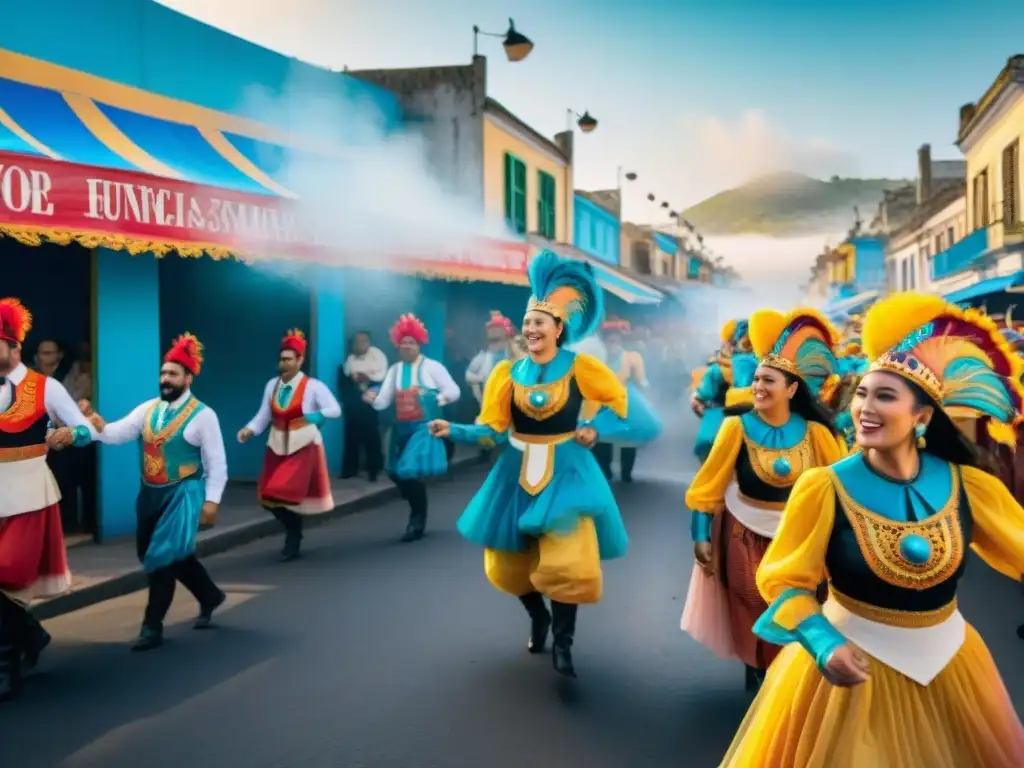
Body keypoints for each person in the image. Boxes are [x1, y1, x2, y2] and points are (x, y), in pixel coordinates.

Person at [720, 293, 1024, 768]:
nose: (864, 407)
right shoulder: (824, 486)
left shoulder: (971, 487)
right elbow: (784, 581)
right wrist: (824, 644)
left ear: (923, 416)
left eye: (884, 396)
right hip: (850, 672)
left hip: (951, 665)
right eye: (861, 393)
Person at [428, 250, 661, 678]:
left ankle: (564, 643)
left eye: (539, 322)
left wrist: (593, 427)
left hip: (568, 471)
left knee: (567, 562)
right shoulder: (507, 374)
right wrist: (454, 430)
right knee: (508, 565)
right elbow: (493, 430)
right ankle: (539, 616)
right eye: (528, 322)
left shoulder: (582, 367)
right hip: (514, 474)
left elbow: (621, 405)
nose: (531, 329)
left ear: (558, 328)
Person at [681, 307, 846, 691]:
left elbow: (840, 488)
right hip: (745, 532)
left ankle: (791, 677)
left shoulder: (818, 433)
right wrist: (701, 534)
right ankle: (759, 675)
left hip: (800, 539)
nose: (757, 386)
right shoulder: (735, 427)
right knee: (754, 603)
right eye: (755, 378)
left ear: (791, 389)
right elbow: (707, 486)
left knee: (801, 606)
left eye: (768, 380)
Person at [80, 333, 228, 651]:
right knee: (160, 554)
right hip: (149, 495)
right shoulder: (149, 409)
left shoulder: (204, 416)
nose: (165, 379)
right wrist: (96, 425)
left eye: (173, 373)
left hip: (183, 495)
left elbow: (217, 464)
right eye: (163, 373)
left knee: (161, 559)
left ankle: (152, 626)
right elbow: (117, 433)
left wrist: (212, 502)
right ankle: (209, 594)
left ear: (188, 378)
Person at [0, 299, 100, 701]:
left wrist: (70, 434)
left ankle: (7, 666)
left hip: (28, 494)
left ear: (13, 346)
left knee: (5, 573)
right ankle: (31, 634)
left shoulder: (46, 388)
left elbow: (87, 431)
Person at [238, 330, 341, 562]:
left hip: (303, 445)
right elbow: (263, 415)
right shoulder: (271, 385)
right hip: (276, 445)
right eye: (281, 359)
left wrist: (314, 416)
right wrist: (249, 430)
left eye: (288, 359)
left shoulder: (313, 386)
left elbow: (335, 410)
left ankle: (293, 536)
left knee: (283, 491)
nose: (283, 363)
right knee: (267, 497)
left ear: (300, 360)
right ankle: (294, 529)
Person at [365, 314, 460, 542]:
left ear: (419, 344)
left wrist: (433, 398)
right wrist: (372, 399)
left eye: (412, 342)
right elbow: (383, 401)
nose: (407, 346)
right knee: (395, 472)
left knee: (409, 471)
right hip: (401, 430)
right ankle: (416, 508)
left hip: (423, 430)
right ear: (398, 346)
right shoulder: (395, 370)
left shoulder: (433, 367)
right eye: (403, 342)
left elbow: (453, 391)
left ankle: (417, 519)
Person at [593, 319, 649, 482]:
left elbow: (641, 380)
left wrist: (643, 392)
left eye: (616, 338)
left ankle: (626, 472)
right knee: (602, 436)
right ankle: (605, 470)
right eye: (610, 338)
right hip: (603, 400)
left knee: (628, 438)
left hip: (625, 400)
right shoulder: (597, 357)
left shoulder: (632, 357)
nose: (613, 342)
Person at [691, 319, 750, 463]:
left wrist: (697, 398)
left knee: (708, 449)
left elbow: (704, 393)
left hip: (722, 417)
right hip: (757, 420)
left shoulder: (719, 367)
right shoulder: (767, 364)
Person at [340, 330, 387, 481]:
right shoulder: (349, 361)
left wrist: (368, 378)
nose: (361, 345)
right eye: (357, 342)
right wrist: (354, 379)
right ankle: (349, 470)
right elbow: (346, 380)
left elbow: (382, 378)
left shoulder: (377, 358)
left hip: (371, 404)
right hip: (354, 405)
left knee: (372, 438)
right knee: (351, 438)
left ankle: (374, 470)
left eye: (364, 341)